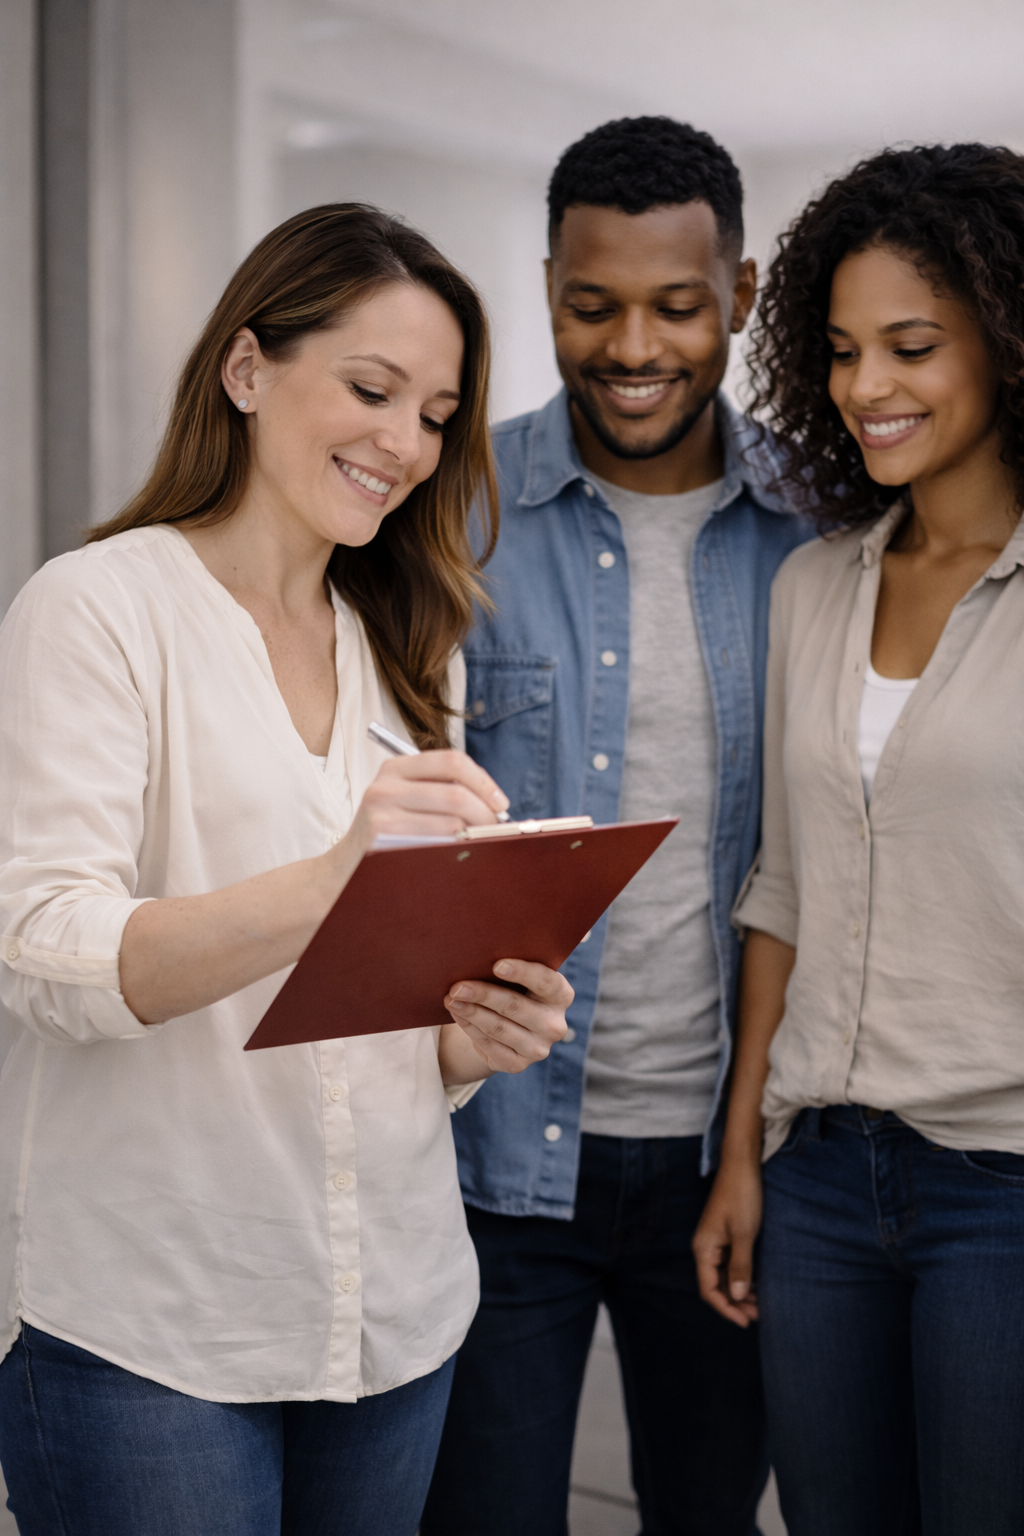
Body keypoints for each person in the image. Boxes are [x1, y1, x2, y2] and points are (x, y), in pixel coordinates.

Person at [0, 203, 574, 1536]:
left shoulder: (410, 644)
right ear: (246, 370)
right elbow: (39, 944)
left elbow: (367, 1011)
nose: (404, 443)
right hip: (153, 1325)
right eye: (371, 389)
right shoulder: (99, 609)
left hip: (397, 1308)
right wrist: (330, 881)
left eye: (435, 413)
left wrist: (463, 1046)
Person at [422, 117, 813, 1536]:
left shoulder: (828, 530)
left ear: (746, 295)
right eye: (593, 306)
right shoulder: (446, 510)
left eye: (675, 305)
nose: (632, 345)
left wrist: (755, 1153)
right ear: (544, 289)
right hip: (493, 1160)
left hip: (738, 1159)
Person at [693, 143, 1024, 1536]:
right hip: (821, 1176)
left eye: (911, 346)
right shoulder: (816, 586)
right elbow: (781, 891)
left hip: (1004, 1186)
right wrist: (743, 1150)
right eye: (839, 351)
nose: (865, 387)